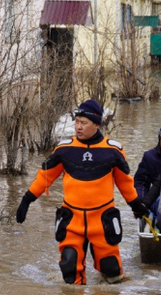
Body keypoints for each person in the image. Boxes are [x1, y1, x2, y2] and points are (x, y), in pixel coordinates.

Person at [15, 99, 149, 285]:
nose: (78, 127)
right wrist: (27, 199)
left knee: (112, 272)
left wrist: (136, 205)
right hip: (72, 218)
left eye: (83, 123)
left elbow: (124, 183)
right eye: (76, 122)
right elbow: (45, 177)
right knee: (69, 267)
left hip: (102, 218)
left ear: (96, 124)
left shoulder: (113, 151)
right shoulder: (64, 149)